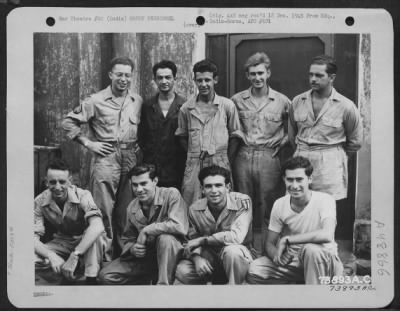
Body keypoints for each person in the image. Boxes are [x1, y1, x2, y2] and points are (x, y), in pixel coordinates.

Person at [62, 56, 143, 259]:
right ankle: (103, 259)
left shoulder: (136, 100)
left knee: (128, 210)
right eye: (119, 74)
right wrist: (89, 143)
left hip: (131, 158)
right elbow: (68, 122)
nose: (123, 79)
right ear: (110, 75)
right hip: (107, 158)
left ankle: (124, 257)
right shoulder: (95, 100)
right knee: (103, 210)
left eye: (127, 75)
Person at [288, 55, 363, 238]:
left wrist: (336, 157)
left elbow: (355, 141)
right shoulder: (298, 101)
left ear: (332, 77)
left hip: (330, 161)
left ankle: (326, 252)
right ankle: (300, 250)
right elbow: (292, 134)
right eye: (311, 74)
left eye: (319, 75)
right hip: (302, 156)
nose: (313, 79)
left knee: (326, 210)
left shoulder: (346, 106)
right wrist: (301, 153)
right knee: (298, 205)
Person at [246, 156, 344, 284]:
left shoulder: (325, 200)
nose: (294, 185)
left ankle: (316, 296)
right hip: (294, 261)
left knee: (310, 250)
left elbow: (327, 235)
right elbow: (269, 243)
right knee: (255, 270)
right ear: (284, 180)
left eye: (299, 179)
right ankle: (303, 283)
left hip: (322, 258)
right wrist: (276, 256)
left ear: (309, 179)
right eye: (290, 180)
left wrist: (288, 239)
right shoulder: (280, 204)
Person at [231, 52, 291, 252]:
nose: (257, 78)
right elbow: (229, 125)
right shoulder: (237, 100)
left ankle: (267, 248)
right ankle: (245, 248)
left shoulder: (282, 101)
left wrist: (283, 140)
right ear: (247, 76)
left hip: (268, 156)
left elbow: (293, 129)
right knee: (243, 202)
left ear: (268, 73)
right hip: (244, 155)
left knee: (269, 204)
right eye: (252, 74)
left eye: (260, 73)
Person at [98, 164, 188, 285]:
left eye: (143, 183)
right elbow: (128, 239)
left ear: (155, 181)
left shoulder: (171, 194)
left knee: (165, 239)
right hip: (147, 258)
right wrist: (133, 249)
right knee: (106, 275)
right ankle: (148, 282)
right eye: (135, 185)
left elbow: (179, 226)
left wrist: (147, 229)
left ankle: (163, 288)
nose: (139, 189)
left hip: (172, 255)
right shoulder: (132, 207)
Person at [175, 59, 243, 205]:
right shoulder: (186, 108)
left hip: (220, 160)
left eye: (207, 80)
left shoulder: (227, 105)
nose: (203, 84)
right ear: (194, 80)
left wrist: (226, 161)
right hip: (194, 162)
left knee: (222, 200)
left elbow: (236, 136)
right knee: (191, 201)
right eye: (199, 80)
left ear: (215, 80)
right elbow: (181, 136)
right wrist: (193, 153)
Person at [175, 165, 254, 285]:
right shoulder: (194, 209)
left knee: (232, 252)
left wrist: (204, 240)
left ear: (228, 187)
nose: (213, 191)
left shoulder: (242, 202)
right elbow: (190, 242)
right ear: (202, 189)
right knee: (182, 271)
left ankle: (235, 292)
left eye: (218, 185)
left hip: (237, 258)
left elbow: (236, 237)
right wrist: (196, 258)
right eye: (208, 186)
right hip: (210, 258)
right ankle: (206, 296)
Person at [34, 159, 105, 285]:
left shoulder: (83, 195)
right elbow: (31, 238)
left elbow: (97, 226)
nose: (57, 187)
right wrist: (51, 255)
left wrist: (75, 254)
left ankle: (90, 279)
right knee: (32, 257)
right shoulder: (40, 201)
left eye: (62, 182)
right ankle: (66, 276)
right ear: (46, 182)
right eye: (52, 182)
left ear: (69, 180)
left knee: (95, 236)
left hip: (85, 241)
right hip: (62, 242)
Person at [138, 60, 186, 189]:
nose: (164, 81)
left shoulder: (185, 106)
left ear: (175, 79)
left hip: (177, 168)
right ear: (155, 80)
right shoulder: (147, 106)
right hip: (153, 168)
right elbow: (141, 136)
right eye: (160, 78)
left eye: (168, 77)